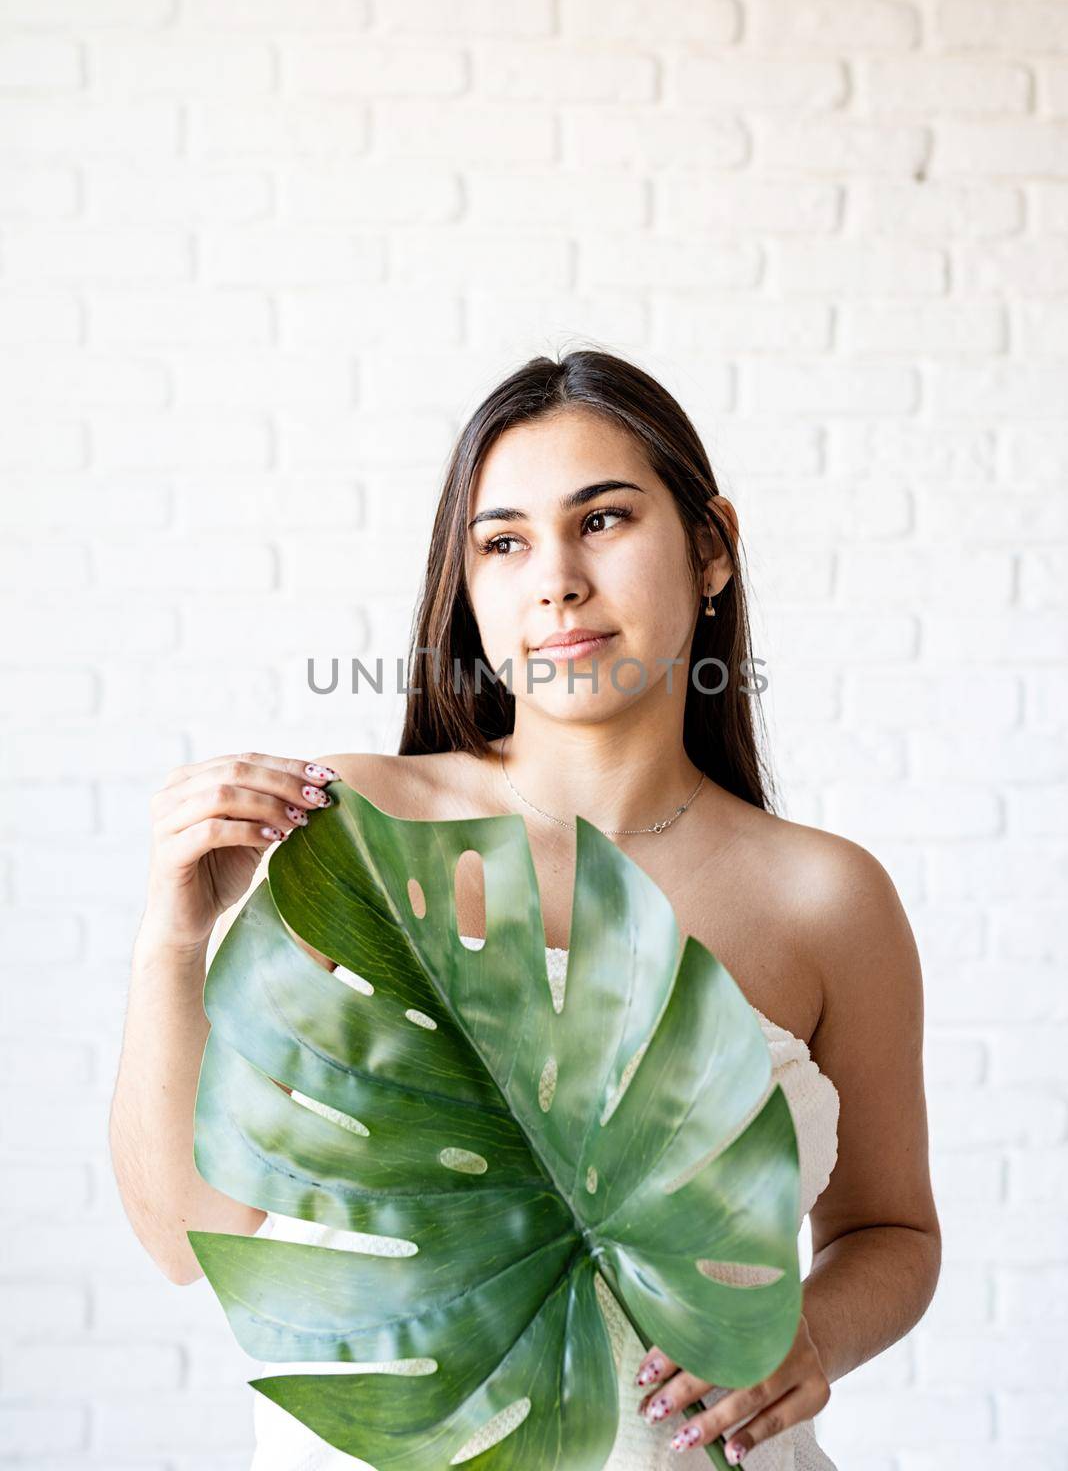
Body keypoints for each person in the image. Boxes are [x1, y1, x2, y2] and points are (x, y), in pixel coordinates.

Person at [110, 347, 941, 1470]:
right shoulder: (360, 827)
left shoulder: (825, 896)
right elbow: (188, 1238)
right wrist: (174, 936)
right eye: (503, 542)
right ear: (470, 588)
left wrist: (812, 1333)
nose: (554, 579)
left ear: (710, 548)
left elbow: (893, 1231)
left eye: (602, 521)